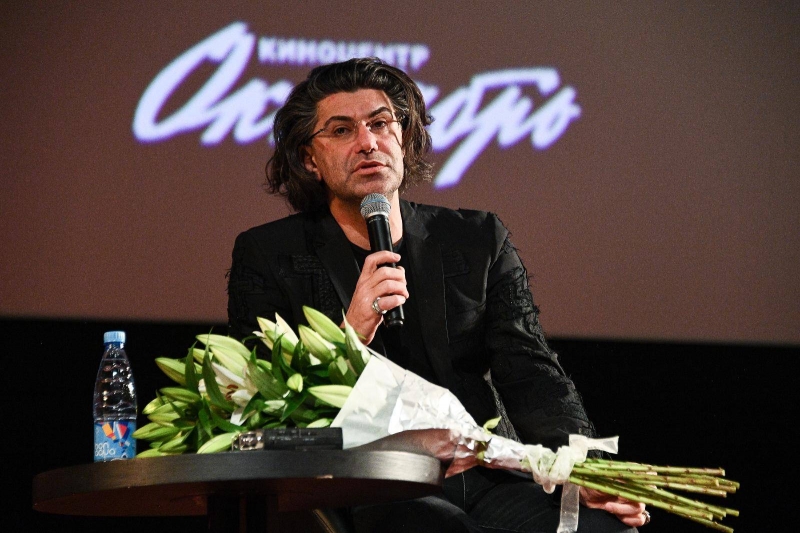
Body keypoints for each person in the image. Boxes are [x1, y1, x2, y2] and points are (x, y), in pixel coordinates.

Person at [226, 57, 649, 532]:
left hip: (485, 474)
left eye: (380, 124)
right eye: (342, 130)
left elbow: (531, 371)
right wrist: (350, 334)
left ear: (404, 137)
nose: (368, 142)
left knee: (606, 529)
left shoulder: (476, 238)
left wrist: (587, 468)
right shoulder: (269, 254)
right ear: (309, 159)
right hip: (370, 483)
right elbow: (263, 399)